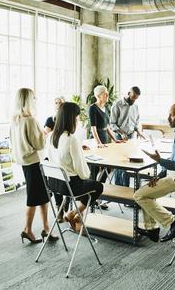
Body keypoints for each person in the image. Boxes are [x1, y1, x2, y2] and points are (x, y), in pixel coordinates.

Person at [136, 102, 175, 243]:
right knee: (148, 192)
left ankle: (174, 223)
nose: (168, 118)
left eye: (172, 115)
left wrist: (160, 161)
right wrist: (159, 175)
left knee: (140, 195)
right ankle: (151, 230)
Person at [10, 88, 58, 244]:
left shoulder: (15, 120)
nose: (35, 100)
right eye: (34, 98)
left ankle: (46, 228)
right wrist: (46, 134)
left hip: (25, 162)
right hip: (34, 163)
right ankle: (27, 230)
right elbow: (38, 144)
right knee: (33, 198)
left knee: (44, 196)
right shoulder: (31, 120)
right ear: (28, 100)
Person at [46, 102, 104, 231]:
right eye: (76, 117)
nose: (77, 121)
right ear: (71, 118)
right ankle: (73, 213)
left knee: (85, 185)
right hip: (69, 186)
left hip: (53, 183)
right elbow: (83, 172)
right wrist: (86, 175)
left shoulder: (50, 136)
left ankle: (77, 219)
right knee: (97, 186)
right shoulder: (71, 139)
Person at [110, 86, 145, 187]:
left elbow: (135, 122)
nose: (134, 100)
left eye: (136, 98)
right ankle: (118, 186)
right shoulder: (117, 105)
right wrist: (121, 133)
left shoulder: (135, 106)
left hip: (131, 136)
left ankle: (125, 187)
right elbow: (112, 124)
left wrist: (138, 131)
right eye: (133, 97)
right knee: (120, 163)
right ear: (128, 93)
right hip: (119, 137)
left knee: (128, 163)